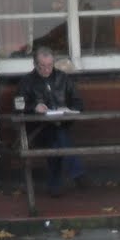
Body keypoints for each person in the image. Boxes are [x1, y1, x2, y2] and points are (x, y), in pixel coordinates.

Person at [16, 45, 87, 194]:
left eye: (50, 65)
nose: (47, 70)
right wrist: (34, 108)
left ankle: (55, 186)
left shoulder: (63, 78)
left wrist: (69, 109)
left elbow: (78, 102)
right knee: (57, 136)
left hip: (62, 123)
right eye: (42, 66)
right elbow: (18, 106)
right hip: (38, 129)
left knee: (57, 138)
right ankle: (77, 173)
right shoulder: (27, 82)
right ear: (35, 65)